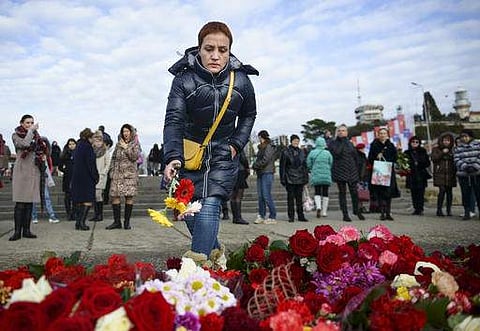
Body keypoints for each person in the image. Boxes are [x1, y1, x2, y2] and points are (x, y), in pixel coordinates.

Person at [162, 21, 258, 265]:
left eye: (222, 50)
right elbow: (173, 119)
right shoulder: (183, 80)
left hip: (223, 155)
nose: (215, 55)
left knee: (210, 204)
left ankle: (196, 269)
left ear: (229, 51)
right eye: (209, 48)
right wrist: (173, 155)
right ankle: (216, 255)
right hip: (189, 155)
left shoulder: (242, 81)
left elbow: (249, 114)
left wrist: (236, 143)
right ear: (200, 48)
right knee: (190, 213)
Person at [10, 114, 48, 241]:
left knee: (29, 204)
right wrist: (31, 131)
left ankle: (27, 230)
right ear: (22, 123)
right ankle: (17, 232)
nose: (30, 125)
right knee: (20, 203)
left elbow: (43, 148)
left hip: (33, 171)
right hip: (21, 171)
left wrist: (43, 155)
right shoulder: (16, 135)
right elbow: (25, 144)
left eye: (31, 122)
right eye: (27, 122)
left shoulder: (36, 137)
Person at [106, 124, 140, 230]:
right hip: (117, 175)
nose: (125, 133)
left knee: (129, 197)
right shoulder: (118, 144)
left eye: (127, 131)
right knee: (115, 197)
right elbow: (114, 158)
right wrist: (111, 171)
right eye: (124, 131)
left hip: (129, 175)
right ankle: (117, 222)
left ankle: (127, 222)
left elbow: (134, 157)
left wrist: (126, 148)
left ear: (131, 132)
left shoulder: (135, 144)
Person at [328, 124, 365, 221]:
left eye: (343, 130)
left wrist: (358, 170)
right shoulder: (333, 143)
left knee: (354, 193)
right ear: (337, 133)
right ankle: (345, 214)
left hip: (351, 170)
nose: (341, 132)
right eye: (339, 131)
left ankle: (357, 210)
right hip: (340, 171)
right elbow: (337, 153)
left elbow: (354, 156)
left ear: (347, 132)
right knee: (342, 193)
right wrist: (342, 142)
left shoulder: (350, 143)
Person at [368, 128, 399, 221]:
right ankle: (382, 212)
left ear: (387, 135)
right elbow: (370, 158)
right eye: (380, 133)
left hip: (388, 170)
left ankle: (388, 212)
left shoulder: (391, 145)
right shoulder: (374, 145)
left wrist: (388, 160)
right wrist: (376, 157)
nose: (382, 135)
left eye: (384, 133)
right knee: (380, 192)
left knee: (388, 193)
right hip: (379, 170)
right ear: (378, 135)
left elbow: (395, 158)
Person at [71, 128, 98, 230]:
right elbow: (91, 164)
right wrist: (96, 176)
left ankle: (78, 222)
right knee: (87, 200)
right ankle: (82, 223)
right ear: (89, 137)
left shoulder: (78, 147)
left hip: (77, 177)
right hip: (87, 178)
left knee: (79, 200)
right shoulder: (88, 147)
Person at [279, 134, 309, 222]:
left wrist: (306, 177)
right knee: (290, 198)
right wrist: (283, 178)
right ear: (291, 141)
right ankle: (291, 216)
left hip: (300, 178)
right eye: (294, 140)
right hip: (289, 178)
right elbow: (282, 166)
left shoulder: (302, 152)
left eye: (297, 140)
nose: (296, 142)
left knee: (299, 198)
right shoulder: (285, 152)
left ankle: (301, 215)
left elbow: (305, 166)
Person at [31, 136, 60, 224]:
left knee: (46, 197)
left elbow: (48, 168)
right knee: (34, 198)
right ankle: (34, 216)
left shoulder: (46, 156)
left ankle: (51, 215)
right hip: (33, 177)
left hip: (43, 177)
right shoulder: (32, 154)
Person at [453, 129, 480, 220]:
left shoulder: (478, 144)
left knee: (478, 193)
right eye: (462, 137)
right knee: (465, 194)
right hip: (464, 174)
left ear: (470, 136)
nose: (464, 138)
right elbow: (456, 159)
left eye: (466, 136)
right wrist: (465, 167)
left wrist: (475, 166)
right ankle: (467, 212)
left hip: (477, 173)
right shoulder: (458, 147)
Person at [252, 130, 278, 224]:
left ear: (261, 137)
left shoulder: (269, 146)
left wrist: (256, 165)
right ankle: (261, 215)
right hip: (261, 172)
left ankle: (272, 216)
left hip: (267, 172)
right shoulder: (261, 147)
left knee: (266, 195)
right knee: (260, 196)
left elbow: (266, 159)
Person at [431, 132, 456, 217]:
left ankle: (449, 210)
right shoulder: (436, 149)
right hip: (440, 174)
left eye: (448, 140)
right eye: (445, 140)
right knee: (442, 191)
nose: (446, 142)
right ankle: (439, 210)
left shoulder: (453, 150)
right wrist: (442, 153)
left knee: (449, 192)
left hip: (450, 175)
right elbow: (434, 158)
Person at [306, 136, 332, 217]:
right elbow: (330, 163)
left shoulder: (312, 153)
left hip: (316, 174)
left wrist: (312, 169)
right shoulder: (327, 153)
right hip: (326, 175)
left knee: (317, 191)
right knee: (325, 192)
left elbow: (308, 164)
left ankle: (318, 207)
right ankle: (324, 212)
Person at [404, 136, 431, 216]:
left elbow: (427, 163)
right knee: (413, 192)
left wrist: (419, 163)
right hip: (411, 175)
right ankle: (416, 208)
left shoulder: (423, 151)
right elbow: (404, 164)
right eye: (413, 142)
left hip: (421, 174)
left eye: (417, 142)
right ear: (410, 143)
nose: (415, 143)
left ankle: (420, 208)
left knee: (421, 192)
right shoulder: (407, 152)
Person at [88, 130, 111, 222]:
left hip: (101, 176)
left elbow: (108, 164)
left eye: (99, 140)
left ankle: (100, 215)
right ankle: (96, 214)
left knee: (98, 195)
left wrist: (103, 173)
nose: (98, 142)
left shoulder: (105, 151)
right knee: (94, 195)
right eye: (96, 140)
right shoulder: (91, 150)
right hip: (92, 176)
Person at [230, 150, 250, 225]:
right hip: (240, 171)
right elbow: (243, 159)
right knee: (238, 196)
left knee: (233, 196)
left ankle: (235, 217)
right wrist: (247, 168)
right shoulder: (238, 145)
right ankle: (238, 217)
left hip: (231, 171)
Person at [58, 138, 76, 220]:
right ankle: (69, 213)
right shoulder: (65, 154)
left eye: (73, 144)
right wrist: (66, 170)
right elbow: (60, 167)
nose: (71, 146)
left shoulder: (78, 154)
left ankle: (74, 213)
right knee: (67, 196)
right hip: (68, 177)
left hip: (76, 177)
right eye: (70, 144)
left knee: (75, 197)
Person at [355, 143, 369, 214]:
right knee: (360, 193)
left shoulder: (361, 156)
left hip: (362, 176)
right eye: (362, 148)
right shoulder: (360, 156)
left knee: (361, 193)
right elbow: (363, 167)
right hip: (361, 177)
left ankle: (360, 206)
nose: (363, 150)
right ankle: (359, 207)